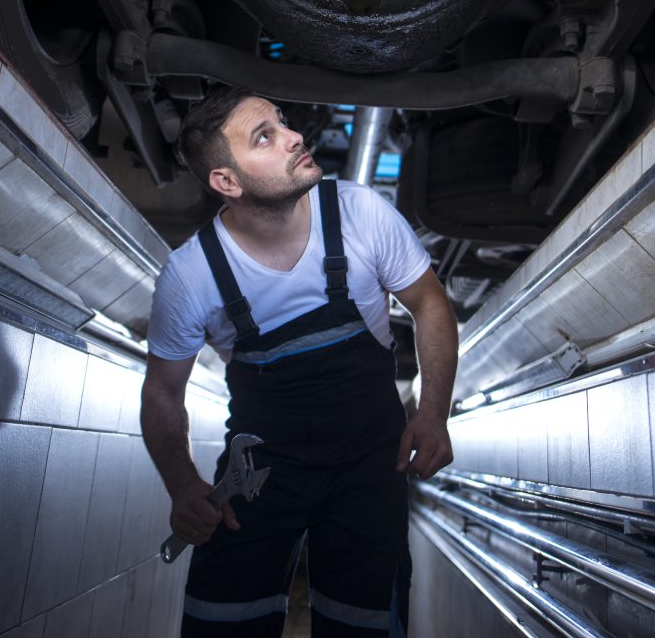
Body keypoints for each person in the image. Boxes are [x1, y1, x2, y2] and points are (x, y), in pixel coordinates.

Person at [141, 86, 458, 637]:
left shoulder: (359, 213)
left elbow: (429, 303)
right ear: (227, 182)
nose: (294, 137)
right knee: (222, 622)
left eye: (283, 123)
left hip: (370, 467)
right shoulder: (190, 277)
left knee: (366, 625)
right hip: (258, 481)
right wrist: (183, 484)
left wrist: (432, 414)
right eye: (265, 136)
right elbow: (162, 393)